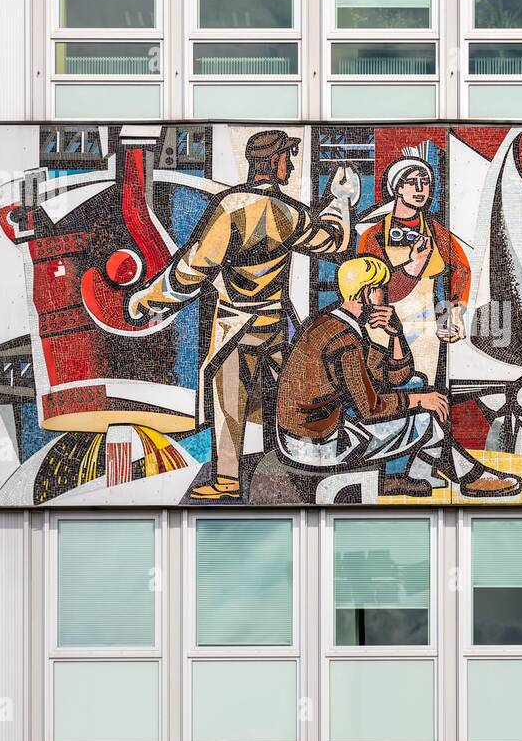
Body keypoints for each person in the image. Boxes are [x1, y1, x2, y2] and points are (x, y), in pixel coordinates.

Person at [128, 129, 359, 500]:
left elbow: (192, 269)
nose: (291, 166)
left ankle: (228, 480)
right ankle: (281, 472)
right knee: (281, 401)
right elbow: (335, 242)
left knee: (228, 406)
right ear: (276, 160)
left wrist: (149, 300)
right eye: (289, 158)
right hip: (276, 327)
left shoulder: (230, 207)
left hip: (234, 326)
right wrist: (341, 201)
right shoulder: (290, 212)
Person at [275, 256, 522, 499]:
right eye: (382, 289)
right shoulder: (344, 340)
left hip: (315, 430)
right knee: (425, 416)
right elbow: (370, 408)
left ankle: (406, 474)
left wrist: (396, 333)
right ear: (367, 293)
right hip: (317, 445)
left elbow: (397, 375)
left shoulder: (335, 324)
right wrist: (420, 401)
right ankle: (468, 477)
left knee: (416, 383)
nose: (387, 296)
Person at [356, 155, 471, 384]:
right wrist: (414, 265)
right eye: (411, 182)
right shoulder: (373, 234)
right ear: (397, 188)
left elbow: (461, 269)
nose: (420, 188)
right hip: (383, 326)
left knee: (425, 383)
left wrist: (453, 311)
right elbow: (374, 289)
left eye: (425, 182)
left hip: (425, 327)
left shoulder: (435, 230)